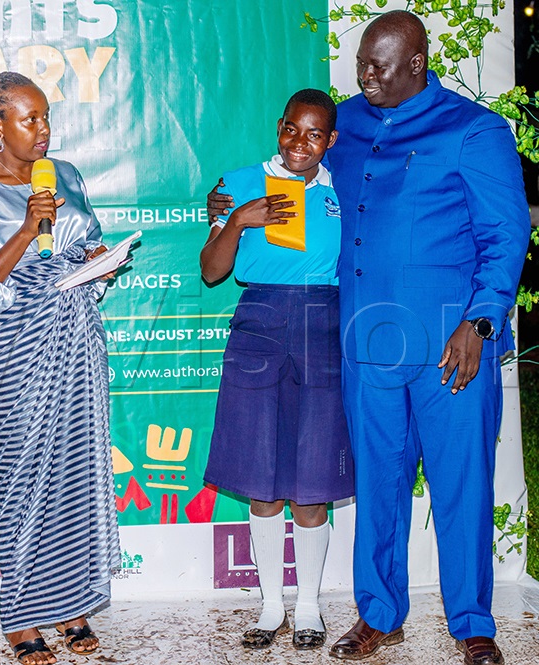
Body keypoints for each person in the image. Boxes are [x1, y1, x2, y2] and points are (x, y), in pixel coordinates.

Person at [209, 11, 529, 665]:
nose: (364, 79)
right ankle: (378, 613)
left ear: (417, 64)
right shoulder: (347, 124)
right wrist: (227, 205)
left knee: (460, 483)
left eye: (377, 68)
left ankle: (472, 624)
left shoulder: (475, 130)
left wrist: (482, 321)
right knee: (378, 483)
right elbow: (289, 167)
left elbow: (506, 234)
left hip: (450, 347)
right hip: (364, 347)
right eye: (359, 66)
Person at [0, 72, 120, 665]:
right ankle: (21, 618)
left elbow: (83, 240)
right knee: (22, 478)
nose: (43, 131)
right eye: (29, 120)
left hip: (72, 336)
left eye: (46, 117)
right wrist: (26, 227)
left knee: (72, 472)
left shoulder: (65, 175)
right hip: (11, 347)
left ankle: (70, 604)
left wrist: (98, 260)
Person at [200, 88, 353, 652]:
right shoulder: (239, 183)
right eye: (292, 129)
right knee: (261, 475)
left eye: (315, 134)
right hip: (259, 319)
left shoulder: (345, 185)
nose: (300, 143)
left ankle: (309, 606)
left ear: (330, 141)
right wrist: (238, 220)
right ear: (279, 126)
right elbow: (212, 271)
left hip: (324, 324)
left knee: (312, 481)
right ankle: (269, 607)